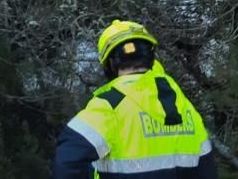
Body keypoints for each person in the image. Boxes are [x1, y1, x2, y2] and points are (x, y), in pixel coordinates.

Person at [54, 20, 217, 178]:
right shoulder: (184, 106)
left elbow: (68, 158)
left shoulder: (111, 104)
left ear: (110, 64)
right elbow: (206, 167)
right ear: (151, 57)